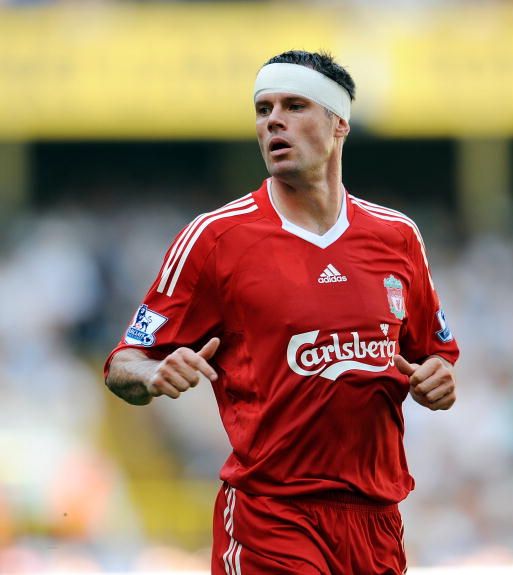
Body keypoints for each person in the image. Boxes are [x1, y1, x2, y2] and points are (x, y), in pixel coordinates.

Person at [104, 50, 459, 575]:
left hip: (377, 521)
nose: (273, 120)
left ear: (339, 125)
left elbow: (434, 359)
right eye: (263, 108)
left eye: (294, 106)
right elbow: (121, 365)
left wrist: (439, 381)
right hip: (272, 517)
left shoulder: (397, 236)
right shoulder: (216, 238)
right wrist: (153, 371)